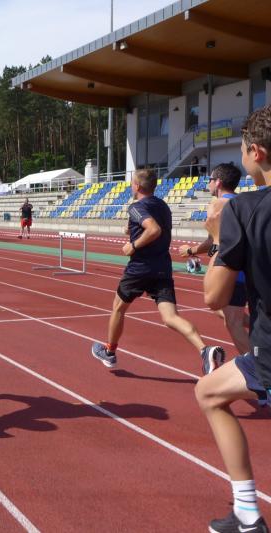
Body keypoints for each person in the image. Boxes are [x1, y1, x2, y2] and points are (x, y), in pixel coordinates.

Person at [196, 107, 271, 533]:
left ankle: (246, 512)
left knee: (208, 394)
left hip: (270, 345)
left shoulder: (244, 208)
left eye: (242, 151)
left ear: (256, 152)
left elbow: (213, 297)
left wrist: (218, 241)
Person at [91, 169, 225, 374]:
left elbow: (154, 229)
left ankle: (109, 351)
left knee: (118, 308)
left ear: (137, 186)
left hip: (139, 268)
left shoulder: (136, 206)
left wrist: (133, 245)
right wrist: (132, 229)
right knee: (171, 317)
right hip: (162, 268)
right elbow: (153, 228)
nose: (131, 186)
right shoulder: (163, 206)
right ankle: (205, 350)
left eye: (132, 183)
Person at [178, 163, 250, 356]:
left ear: (218, 182)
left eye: (209, 179)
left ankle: (259, 366)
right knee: (228, 313)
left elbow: (214, 241)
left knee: (232, 322)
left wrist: (192, 251)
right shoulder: (244, 202)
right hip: (248, 269)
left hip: (230, 269)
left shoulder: (217, 205)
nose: (208, 183)